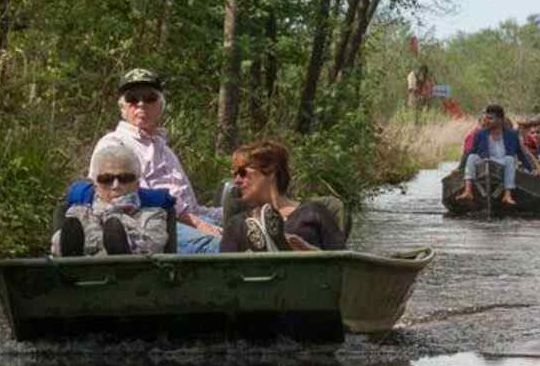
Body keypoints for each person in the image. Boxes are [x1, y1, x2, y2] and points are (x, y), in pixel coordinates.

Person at [91, 68, 221, 254]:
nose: (141, 104)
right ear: (123, 108)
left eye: (150, 98)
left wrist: (230, 213)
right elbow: (124, 197)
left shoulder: (165, 150)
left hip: (187, 220)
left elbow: (193, 207)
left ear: (161, 105)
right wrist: (198, 224)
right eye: (133, 99)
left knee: (244, 228)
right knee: (218, 246)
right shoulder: (114, 145)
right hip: (147, 224)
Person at [220, 140, 346, 252]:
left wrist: (309, 251)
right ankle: (264, 254)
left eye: (242, 173)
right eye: (234, 174)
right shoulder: (236, 225)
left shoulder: (313, 213)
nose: (236, 180)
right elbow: (222, 273)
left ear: (270, 170)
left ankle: (286, 252)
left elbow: (344, 265)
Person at [53, 143, 173, 255]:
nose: (115, 186)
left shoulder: (153, 213)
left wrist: (116, 220)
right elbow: (58, 244)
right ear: (96, 185)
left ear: (137, 183)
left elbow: (152, 246)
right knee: (70, 233)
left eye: (124, 178)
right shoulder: (80, 212)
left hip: (134, 272)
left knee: (115, 231)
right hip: (82, 272)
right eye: (106, 179)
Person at [456, 103, 537, 207]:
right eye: (486, 118)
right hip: (486, 162)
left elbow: (521, 154)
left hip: (502, 162)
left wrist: (531, 170)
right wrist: (459, 168)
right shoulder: (480, 134)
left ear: (500, 120)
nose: (487, 121)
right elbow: (470, 152)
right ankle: (468, 191)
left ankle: (507, 194)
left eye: (490, 118)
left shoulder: (511, 135)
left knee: (510, 159)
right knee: (472, 157)